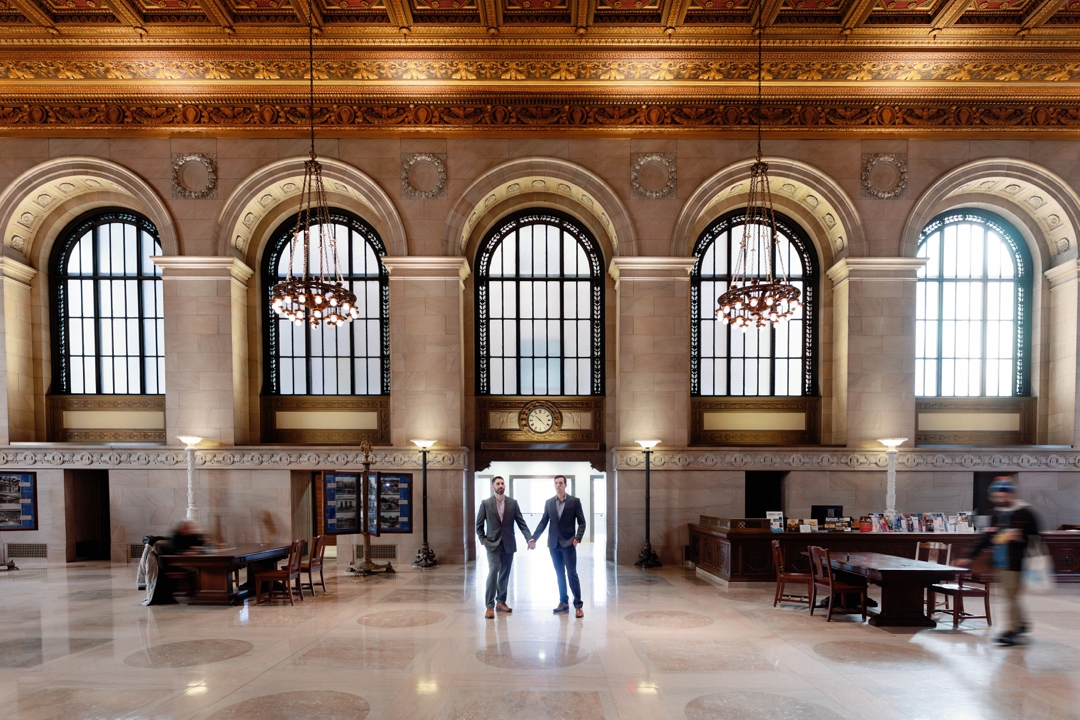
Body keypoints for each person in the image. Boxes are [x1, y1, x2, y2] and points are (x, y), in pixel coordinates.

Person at [956, 476, 1041, 646]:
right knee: (1012, 595)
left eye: (1004, 495)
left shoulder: (1025, 512)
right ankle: (1022, 624)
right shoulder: (996, 514)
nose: (1000, 498)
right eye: (997, 496)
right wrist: (969, 557)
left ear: (1011, 494)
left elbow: (1036, 536)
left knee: (1010, 596)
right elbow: (987, 538)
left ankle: (1010, 631)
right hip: (1000, 562)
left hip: (1018, 562)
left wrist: (1019, 537)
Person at [475, 476, 534, 619]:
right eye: (497, 484)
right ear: (492, 486)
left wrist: (529, 538)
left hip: (508, 544)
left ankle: (501, 602)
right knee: (494, 571)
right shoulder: (486, 503)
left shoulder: (513, 503)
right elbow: (479, 525)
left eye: (502, 483)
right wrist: (483, 540)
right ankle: (489, 606)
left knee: (505, 574)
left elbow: (521, 522)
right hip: (492, 544)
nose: (500, 486)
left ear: (505, 486)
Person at [531, 475, 587, 618]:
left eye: (561, 483)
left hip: (568, 543)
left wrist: (578, 538)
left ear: (565, 485)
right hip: (554, 544)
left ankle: (578, 606)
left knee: (572, 573)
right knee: (559, 574)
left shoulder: (574, 501)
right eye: (556, 483)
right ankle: (563, 602)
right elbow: (543, 522)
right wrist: (534, 538)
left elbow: (582, 522)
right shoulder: (549, 502)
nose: (558, 485)